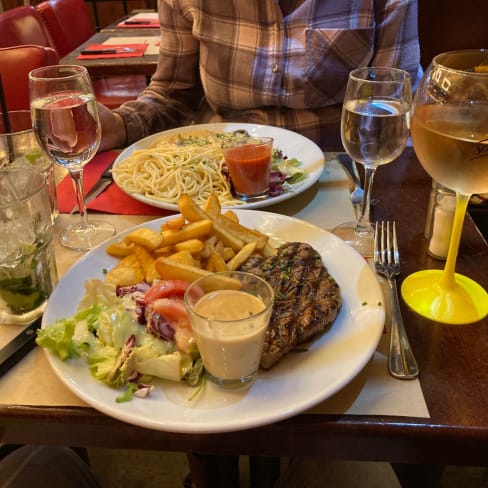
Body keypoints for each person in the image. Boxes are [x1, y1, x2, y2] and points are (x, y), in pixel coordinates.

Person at [98, 0, 422, 153]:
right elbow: (173, 95)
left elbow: (392, 112)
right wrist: (121, 125)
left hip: (338, 178)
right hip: (217, 175)